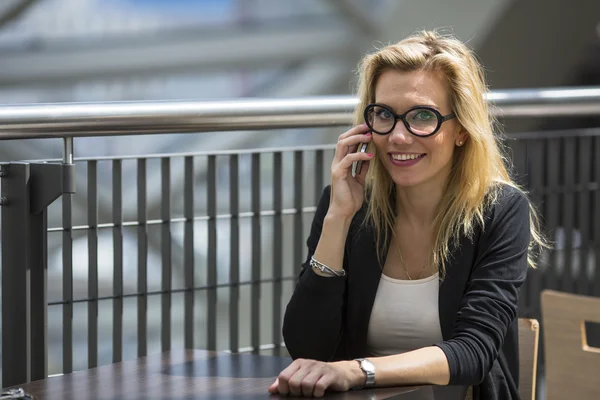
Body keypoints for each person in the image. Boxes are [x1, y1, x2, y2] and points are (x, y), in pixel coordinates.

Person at [267, 30, 546, 399]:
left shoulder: (499, 209)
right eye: (384, 114)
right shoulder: (350, 206)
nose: (398, 137)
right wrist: (337, 219)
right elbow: (307, 347)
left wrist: (359, 370)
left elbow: (474, 352)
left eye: (422, 116)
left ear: (461, 128)